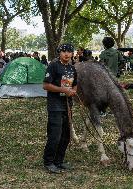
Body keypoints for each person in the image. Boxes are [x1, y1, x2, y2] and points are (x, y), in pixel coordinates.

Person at [43, 43, 77, 174]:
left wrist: (72, 91)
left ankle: (59, 161)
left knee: (66, 136)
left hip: (67, 106)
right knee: (55, 136)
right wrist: (62, 90)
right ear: (59, 53)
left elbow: (75, 85)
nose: (67, 54)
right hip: (55, 106)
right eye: (64, 52)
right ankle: (48, 162)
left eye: (69, 51)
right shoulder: (53, 65)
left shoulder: (72, 69)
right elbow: (45, 85)